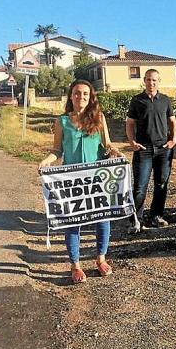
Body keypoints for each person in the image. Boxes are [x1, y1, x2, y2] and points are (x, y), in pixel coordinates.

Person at [39, 79, 122, 284]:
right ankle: (75, 265)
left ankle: (101, 258)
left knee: (103, 219)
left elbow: (108, 145)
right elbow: (56, 150)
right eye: (77, 93)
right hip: (72, 181)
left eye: (85, 94)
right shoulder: (62, 122)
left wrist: (115, 152)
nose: (81, 97)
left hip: (97, 179)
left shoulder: (99, 118)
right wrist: (46, 161)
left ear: (90, 97)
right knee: (73, 222)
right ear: (71, 96)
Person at [126, 69, 176, 233]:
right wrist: (132, 141)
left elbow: (172, 121)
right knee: (140, 186)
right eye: (148, 80)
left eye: (154, 80)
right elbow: (129, 123)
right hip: (144, 149)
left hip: (163, 149)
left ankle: (156, 215)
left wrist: (173, 140)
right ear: (144, 81)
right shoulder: (137, 100)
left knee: (161, 184)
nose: (151, 83)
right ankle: (136, 220)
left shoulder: (165, 100)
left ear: (158, 81)